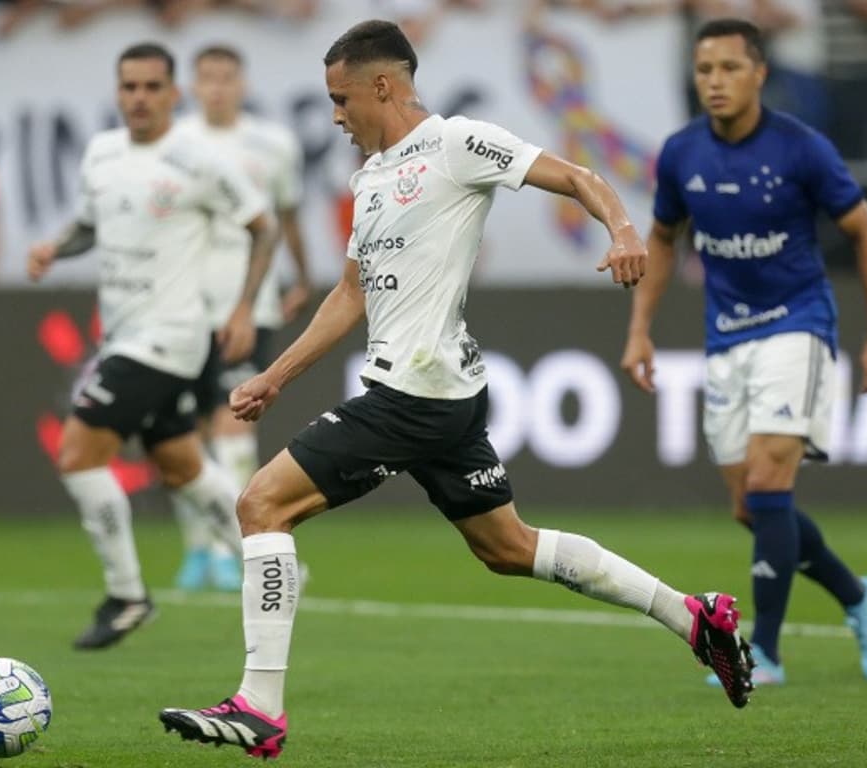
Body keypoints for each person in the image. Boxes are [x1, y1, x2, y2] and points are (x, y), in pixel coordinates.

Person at [158, 19, 754, 759]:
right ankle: (695, 617)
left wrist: (623, 231)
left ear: (383, 85)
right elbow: (352, 291)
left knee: (259, 504)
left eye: (341, 99)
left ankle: (259, 706)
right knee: (507, 547)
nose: (335, 117)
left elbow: (578, 177)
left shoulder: (456, 144)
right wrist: (276, 379)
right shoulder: (371, 177)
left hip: (412, 394)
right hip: (443, 392)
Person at [620, 18, 867, 686]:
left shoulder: (802, 149)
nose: (715, 81)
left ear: (759, 74)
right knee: (752, 508)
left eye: (729, 68)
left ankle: (764, 652)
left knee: (773, 484)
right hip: (727, 338)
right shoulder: (683, 153)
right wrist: (640, 328)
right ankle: (859, 597)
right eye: (705, 69)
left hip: (798, 326)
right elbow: (661, 239)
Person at [27, 42, 278, 650]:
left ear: (173, 93)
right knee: (182, 466)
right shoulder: (102, 154)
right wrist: (54, 249)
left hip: (169, 336)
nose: (138, 98)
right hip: (125, 332)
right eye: (129, 87)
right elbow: (91, 225)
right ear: (119, 93)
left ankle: (127, 595)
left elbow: (261, 226)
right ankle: (272, 562)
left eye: (151, 87)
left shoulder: (198, 160)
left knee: (79, 453)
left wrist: (244, 306)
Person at [170, 44, 313, 592]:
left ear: (241, 81)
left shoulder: (272, 144)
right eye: (207, 77)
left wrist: (301, 275)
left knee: (232, 423)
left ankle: (235, 551)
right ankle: (198, 549)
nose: (217, 88)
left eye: (226, 77)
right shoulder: (176, 143)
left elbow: (287, 216)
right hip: (184, 306)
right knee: (189, 435)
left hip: (248, 305)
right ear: (192, 83)